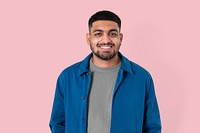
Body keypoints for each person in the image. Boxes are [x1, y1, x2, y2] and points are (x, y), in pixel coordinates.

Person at [49, 10, 161, 133]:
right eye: (98, 34)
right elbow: (57, 123)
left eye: (112, 34)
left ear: (120, 38)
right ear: (88, 38)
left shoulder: (141, 78)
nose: (106, 40)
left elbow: (152, 127)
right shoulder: (68, 77)